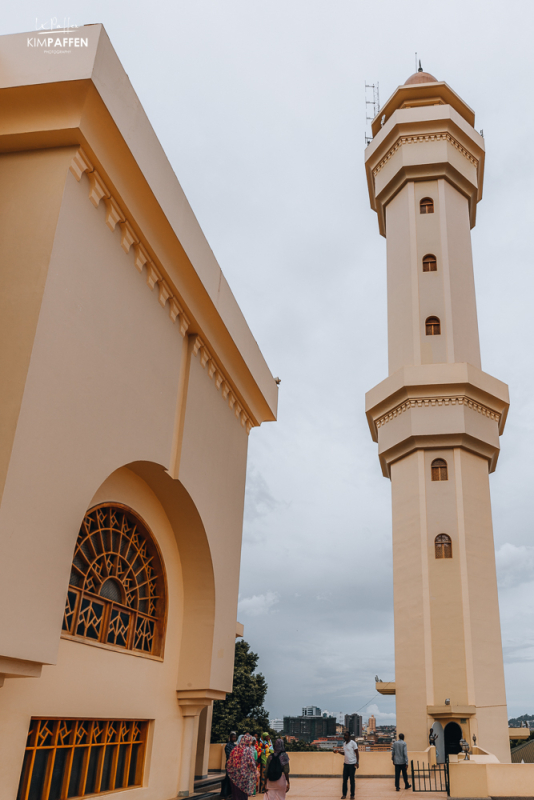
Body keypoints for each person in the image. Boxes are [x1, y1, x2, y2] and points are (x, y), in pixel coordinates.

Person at [227, 733, 258, 800]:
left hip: (233, 777)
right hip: (243, 778)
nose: (250, 743)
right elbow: (251, 763)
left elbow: (229, 762)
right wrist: (255, 772)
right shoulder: (247, 750)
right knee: (242, 796)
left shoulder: (235, 749)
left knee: (235, 795)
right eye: (250, 741)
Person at [335, 731, 359, 799]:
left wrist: (357, 762)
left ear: (349, 736)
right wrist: (338, 751)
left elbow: (357, 753)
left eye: (346, 735)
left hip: (352, 764)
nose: (345, 737)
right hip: (346, 764)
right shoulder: (344, 744)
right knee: (344, 780)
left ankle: (352, 795)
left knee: (352, 780)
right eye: (344, 735)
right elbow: (345, 753)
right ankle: (344, 794)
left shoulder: (353, 743)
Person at [221, 733, 238, 798]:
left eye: (235, 737)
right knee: (228, 778)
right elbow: (229, 755)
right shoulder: (228, 746)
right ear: (230, 738)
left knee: (232, 780)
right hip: (229, 764)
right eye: (232, 737)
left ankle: (230, 792)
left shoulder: (235, 745)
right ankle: (225, 793)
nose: (234, 738)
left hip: (235, 765)